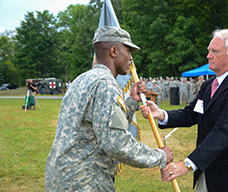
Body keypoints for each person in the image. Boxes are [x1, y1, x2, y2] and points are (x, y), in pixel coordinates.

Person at [44, 26, 173, 192]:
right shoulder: (106, 85)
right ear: (114, 51)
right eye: (128, 51)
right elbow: (115, 143)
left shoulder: (82, 79)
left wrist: (132, 102)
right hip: (85, 182)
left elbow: (101, 123)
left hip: (61, 177)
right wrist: (160, 156)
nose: (131, 58)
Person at [140, 29, 228, 192]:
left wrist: (187, 164)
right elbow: (191, 114)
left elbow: (223, 133)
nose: (208, 56)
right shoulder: (208, 85)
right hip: (208, 171)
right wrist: (161, 114)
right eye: (209, 51)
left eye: (214, 51)